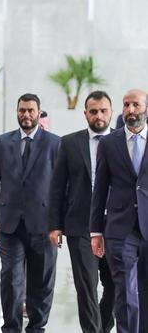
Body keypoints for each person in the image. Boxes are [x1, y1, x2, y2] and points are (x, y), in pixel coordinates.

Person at [0, 93, 60, 332]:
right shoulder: (1, 142)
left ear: (39, 113)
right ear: (17, 112)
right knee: (10, 278)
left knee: (41, 282)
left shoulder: (55, 143)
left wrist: (60, 224)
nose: (26, 115)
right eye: (22, 110)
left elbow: (62, 188)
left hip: (44, 226)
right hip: (10, 225)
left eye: (31, 110)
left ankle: (37, 328)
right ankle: (10, 328)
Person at [48, 90, 116, 333]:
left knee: (115, 286)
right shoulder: (69, 143)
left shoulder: (121, 141)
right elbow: (57, 186)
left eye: (103, 111)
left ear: (111, 111)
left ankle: (103, 327)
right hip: (81, 226)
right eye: (93, 111)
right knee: (86, 286)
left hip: (116, 227)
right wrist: (54, 225)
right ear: (85, 113)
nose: (98, 115)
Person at [91, 89, 148, 333]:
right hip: (120, 230)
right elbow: (100, 188)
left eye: (135, 105)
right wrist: (95, 231)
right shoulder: (109, 143)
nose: (130, 110)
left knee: (144, 294)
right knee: (126, 294)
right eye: (126, 105)